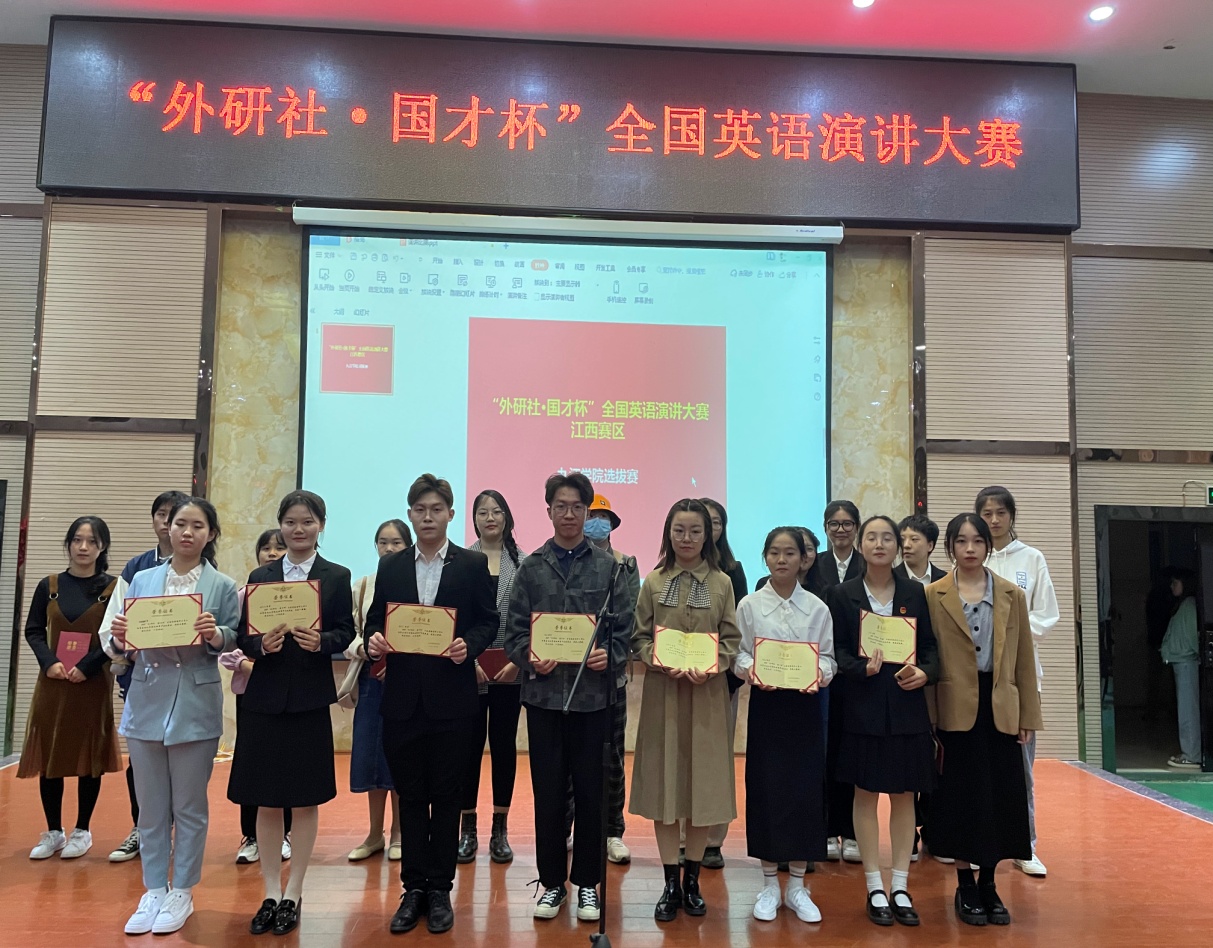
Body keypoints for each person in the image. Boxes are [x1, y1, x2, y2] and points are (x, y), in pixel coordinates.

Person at [365, 475, 497, 936]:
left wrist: (469, 646)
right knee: (411, 796)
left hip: (452, 701)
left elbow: (488, 622)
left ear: (450, 515)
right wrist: (374, 640)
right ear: (410, 514)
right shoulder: (392, 566)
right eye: (420, 510)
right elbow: (374, 621)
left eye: (436, 509)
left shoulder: (472, 564)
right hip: (402, 700)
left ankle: (440, 888)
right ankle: (413, 889)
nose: (428, 517)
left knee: (446, 797)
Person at [105, 498, 240, 935]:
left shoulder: (223, 585)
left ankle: (182, 888)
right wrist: (120, 639)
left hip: (195, 703)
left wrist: (215, 634)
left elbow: (233, 637)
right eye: (180, 523)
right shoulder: (141, 579)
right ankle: (153, 889)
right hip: (146, 699)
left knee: (189, 805)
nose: (186, 532)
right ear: (167, 527)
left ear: (210, 534)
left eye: (197, 525)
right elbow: (118, 641)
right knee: (150, 806)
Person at [504, 472, 634, 923]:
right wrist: (529, 657)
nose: (569, 514)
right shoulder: (531, 567)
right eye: (560, 506)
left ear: (587, 511)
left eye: (577, 506)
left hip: (593, 700)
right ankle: (552, 883)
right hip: (543, 699)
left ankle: (588, 886)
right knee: (549, 794)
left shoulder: (610, 568)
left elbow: (625, 631)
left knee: (594, 794)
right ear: (549, 511)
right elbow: (514, 633)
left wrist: (608, 656)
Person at [228, 489, 356, 937]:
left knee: (304, 799)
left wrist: (322, 642)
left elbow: (345, 632)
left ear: (321, 525)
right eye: (290, 522)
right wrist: (259, 645)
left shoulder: (336, 576)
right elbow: (243, 636)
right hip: (263, 699)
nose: (298, 529)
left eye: (307, 521)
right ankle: (269, 891)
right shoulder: (261, 575)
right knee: (265, 798)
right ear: (280, 525)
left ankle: (294, 892)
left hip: (307, 700)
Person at [924, 513, 1042, 927]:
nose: (970, 548)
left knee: (998, 796)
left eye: (977, 541)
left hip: (1000, 706)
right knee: (959, 797)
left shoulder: (1011, 594)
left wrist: (1027, 713)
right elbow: (928, 657)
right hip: (954, 707)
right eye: (961, 541)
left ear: (988, 547)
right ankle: (965, 885)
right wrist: (930, 717)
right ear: (950, 548)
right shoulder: (933, 595)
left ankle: (989, 883)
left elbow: (1023, 658)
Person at [630, 498, 740, 922]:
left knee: (701, 787)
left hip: (707, 695)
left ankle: (692, 880)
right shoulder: (654, 581)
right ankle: (669, 882)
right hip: (664, 694)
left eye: (696, 531)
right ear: (668, 534)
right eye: (679, 530)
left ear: (707, 535)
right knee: (665, 786)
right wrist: (657, 659)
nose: (687, 538)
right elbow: (639, 637)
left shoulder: (722, 583)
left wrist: (713, 665)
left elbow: (731, 639)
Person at [828, 515, 938, 927]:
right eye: (871, 537)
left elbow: (930, 649)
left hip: (907, 708)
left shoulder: (916, 592)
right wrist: (862, 669)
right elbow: (836, 651)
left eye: (887, 538)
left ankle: (901, 885)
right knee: (865, 793)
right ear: (861, 544)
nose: (879, 544)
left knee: (906, 796)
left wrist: (925, 672)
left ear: (898, 547)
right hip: (862, 707)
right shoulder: (842, 594)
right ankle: (874, 884)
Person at [735, 527, 835, 925]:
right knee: (766, 788)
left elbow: (828, 659)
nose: (782, 559)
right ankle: (767, 885)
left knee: (804, 790)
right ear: (765, 557)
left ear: (803, 559)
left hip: (805, 708)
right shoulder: (749, 605)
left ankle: (796, 885)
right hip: (767, 705)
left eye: (790, 553)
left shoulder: (818, 608)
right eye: (774, 552)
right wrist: (753, 670)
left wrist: (817, 674)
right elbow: (739, 654)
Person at [18, 516, 121, 861]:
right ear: (68, 544)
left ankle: (82, 830)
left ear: (102, 547)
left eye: (92, 541)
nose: (83, 547)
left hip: (91, 683)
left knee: (89, 756)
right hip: (54, 682)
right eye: (77, 540)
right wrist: (49, 662)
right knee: (50, 753)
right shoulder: (49, 585)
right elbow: (33, 630)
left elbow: (116, 637)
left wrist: (87, 667)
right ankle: (53, 831)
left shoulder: (114, 588)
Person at [976, 486, 1059, 878]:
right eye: (987, 513)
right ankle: (980, 843)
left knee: (1021, 768)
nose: (994, 520)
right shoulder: (972, 557)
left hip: (1020, 676)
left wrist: (1010, 635)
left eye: (1000, 513)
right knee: (980, 765)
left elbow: (1047, 615)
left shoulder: (1031, 558)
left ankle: (1026, 847)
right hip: (978, 677)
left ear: (1012, 516)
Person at [107, 488, 190, 864]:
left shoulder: (207, 572)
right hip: (142, 678)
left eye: (178, 516)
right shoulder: (135, 569)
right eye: (163, 514)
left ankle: (175, 828)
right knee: (142, 760)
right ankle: (142, 827)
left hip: (187, 682)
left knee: (181, 761)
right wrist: (128, 647)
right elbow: (112, 626)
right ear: (156, 521)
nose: (169, 522)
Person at [218, 529, 293, 865]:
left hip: (289, 693)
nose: (272, 553)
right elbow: (228, 645)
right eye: (266, 548)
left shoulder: (300, 596)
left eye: (279, 548)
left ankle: (284, 835)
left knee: (285, 762)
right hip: (251, 692)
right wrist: (249, 666)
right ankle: (250, 836)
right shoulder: (243, 595)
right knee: (252, 763)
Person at [460, 491, 525, 865]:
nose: (490, 517)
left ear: (507, 517)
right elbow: (456, 617)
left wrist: (517, 661)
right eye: (482, 512)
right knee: (468, 748)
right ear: (473, 519)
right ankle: (467, 829)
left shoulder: (524, 563)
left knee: (503, 747)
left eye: (496, 511)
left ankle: (500, 829)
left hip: (510, 670)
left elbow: (530, 617)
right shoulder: (461, 560)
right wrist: (468, 660)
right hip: (468, 669)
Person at [576, 492, 640, 866]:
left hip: (610, 677)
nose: (596, 522)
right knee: (571, 757)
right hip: (570, 676)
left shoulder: (625, 565)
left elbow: (631, 620)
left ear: (612, 524)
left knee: (612, 756)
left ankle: (613, 830)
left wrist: (610, 655)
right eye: (591, 515)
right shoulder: (567, 560)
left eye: (602, 517)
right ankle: (572, 827)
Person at [346, 519, 412, 863]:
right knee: (371, 757)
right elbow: (349, 633)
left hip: (406, 680)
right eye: (383, 542)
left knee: (399, 756)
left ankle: (399, 833)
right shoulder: (362, 586)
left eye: (396, 543)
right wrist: (365, 648)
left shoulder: (415, 583)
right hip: (371, 679)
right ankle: (374, 834)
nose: (389, 548)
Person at [697, 497, 746, 869]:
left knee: (716, 761)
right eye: (703, 521)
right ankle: (684, 836)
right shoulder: (666, 572)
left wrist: (723, 673)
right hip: (677, 680)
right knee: (682, 758)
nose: (707, 528)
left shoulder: (733, 571)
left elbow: (737, 630)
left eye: (715, 522)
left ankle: (713, 840)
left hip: (720, 681)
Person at [818, 500, 863, 864]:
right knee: (826, 751)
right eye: (834, 523)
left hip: (859, 674)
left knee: (852, 751)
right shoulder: (813, 564)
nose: (841, 530)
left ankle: (851, 831)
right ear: (825, 528)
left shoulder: (870, 565)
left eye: (847, 524)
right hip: (820, 671)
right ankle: (826, 828)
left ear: (856, 528)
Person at [1160, 568, 1202, 770]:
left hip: (1186, 662)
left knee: (1187, 711)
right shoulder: (1185, 605)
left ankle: (1191, 754)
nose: (1172, 586)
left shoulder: (1188, 605)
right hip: (1181, 661)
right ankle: (1190, 752)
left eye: (1175, 582)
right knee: (1186, 709)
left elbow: (1193, 637)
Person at [896, 515, 947, 586]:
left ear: (930, 546)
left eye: (914, 539)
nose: (906, 545)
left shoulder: (945, 580)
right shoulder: (891, 578)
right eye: (902, 540)